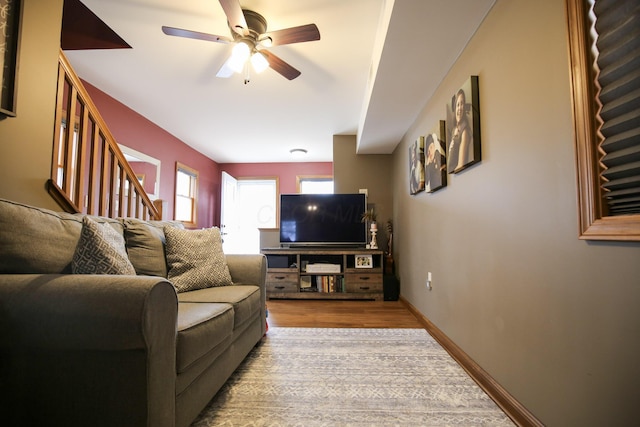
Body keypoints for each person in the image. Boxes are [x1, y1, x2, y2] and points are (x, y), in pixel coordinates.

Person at [447, 88, 473, 173]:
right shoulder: (454, 129)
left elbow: (460, 165)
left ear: (464, 106)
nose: (459, 108)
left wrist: (449, 178)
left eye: (462, 104)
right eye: (457, 105)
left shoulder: (464, 131)